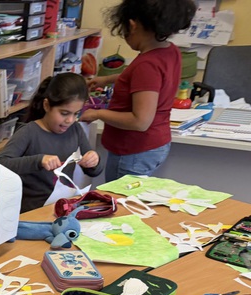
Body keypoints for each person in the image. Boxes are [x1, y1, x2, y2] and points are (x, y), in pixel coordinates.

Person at [79, 0, 197, 182]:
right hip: (155, 144)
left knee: (119, 197)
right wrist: (108, 79)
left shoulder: (147, 65)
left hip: (133, 150)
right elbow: (146, 82)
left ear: (132, 25)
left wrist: (98, 113)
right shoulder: (169, 51)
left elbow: (140, 121)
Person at [0, 73, 103, 212]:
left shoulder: (75, 129)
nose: (70, 120)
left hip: (60, 208)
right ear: (46, 105)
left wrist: (94, 160)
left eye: (76, 114)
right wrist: (39, 161)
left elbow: (94, 171)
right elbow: (0, 164)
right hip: (29, 212)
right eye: (64, 113)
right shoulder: (29, 132)